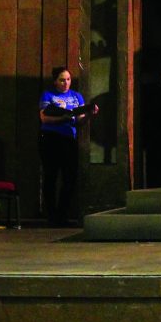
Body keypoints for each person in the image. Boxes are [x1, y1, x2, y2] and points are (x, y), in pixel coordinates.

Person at [39, 67, 98, 225]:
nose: (66, 83)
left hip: (69, 139)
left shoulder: (76, 96)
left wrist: (89, 114)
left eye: (68, 79)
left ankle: (62, 215)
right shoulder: (48, 95)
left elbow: (79, 120)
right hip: (51, 138)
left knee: (69, 177)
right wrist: (63, 118)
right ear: (55, 81)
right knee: (51, 176)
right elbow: (44, 118)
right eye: (62, 80)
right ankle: (52, 216)